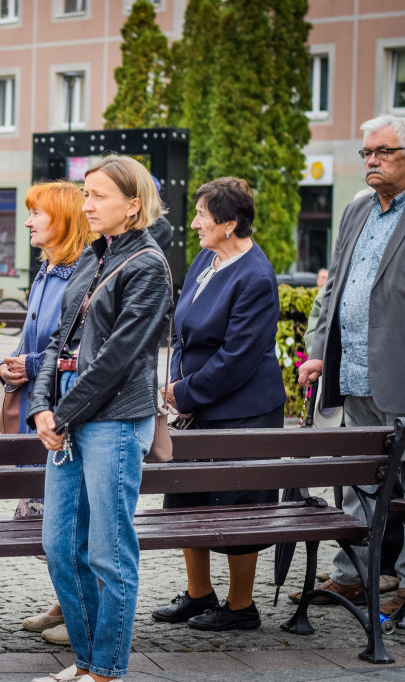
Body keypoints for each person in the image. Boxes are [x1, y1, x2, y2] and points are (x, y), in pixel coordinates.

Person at [296, 114, 405, 621]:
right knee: (359, 481)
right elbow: (335, 287)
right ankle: (352, 574)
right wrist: (319, 349)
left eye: (382, 152)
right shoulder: (357, 209)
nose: (372, 161)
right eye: (367, 153)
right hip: (354, 373)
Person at [28, 155, 171, 682]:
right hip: (69, 411)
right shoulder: (92, 256)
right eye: (85, 194)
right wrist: (42, 405)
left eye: (98, 196)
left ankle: (106, 669)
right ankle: (87, 661)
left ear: (133, 205)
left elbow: (118, 358)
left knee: (110, 552)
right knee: (61, 545)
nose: (86, 205)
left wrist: (60, 413)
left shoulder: (148, 265)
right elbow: (56, 345)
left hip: (112, 416)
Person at [153, 177, 285, 632]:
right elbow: (181, 329)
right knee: (189, 497)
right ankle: (198, 595)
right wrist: (177, 385)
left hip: (244, 410)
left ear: (229, 223)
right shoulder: (207, 259)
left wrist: (183, 395)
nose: (193, 224)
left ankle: (241, 606)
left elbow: (237, 359)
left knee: (238, 506)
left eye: (202, 217)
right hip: (197, 403)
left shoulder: (256, 277)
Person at [0, 182, 95, 646]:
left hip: (65, 411)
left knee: (73, 518)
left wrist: (32, 366)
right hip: (38, 406)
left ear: (64, 219)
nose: (29, 220)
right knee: (51, 520)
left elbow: (76, 348)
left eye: (38, 212)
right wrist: (9, 366)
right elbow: (32, 339)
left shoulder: (82, 272)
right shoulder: (46, 268)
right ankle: (67, 600)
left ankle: (84, 605)